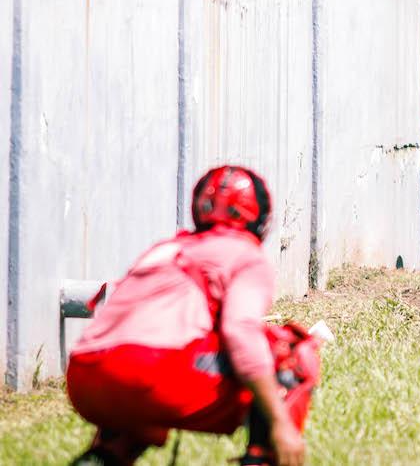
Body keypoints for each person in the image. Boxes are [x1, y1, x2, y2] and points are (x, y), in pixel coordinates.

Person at [66, 166, 321, 466]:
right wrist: (281, 423)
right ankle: (261, 458)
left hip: (84, 376)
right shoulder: (245, 255)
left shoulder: (167, 247)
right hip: (149, 376)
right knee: (289, 351)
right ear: (258, 216)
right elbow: (240, 330)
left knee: (142, 376)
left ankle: (106, 454)